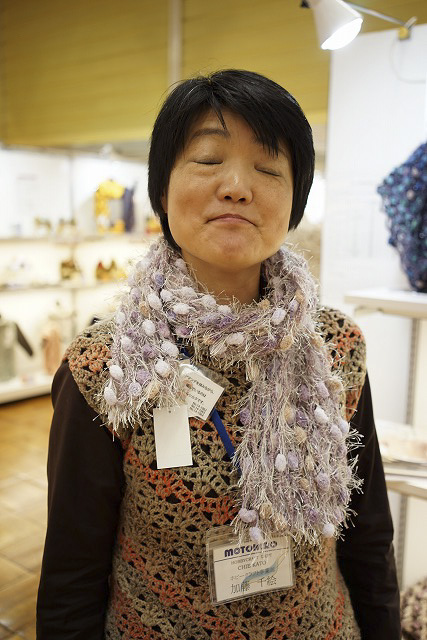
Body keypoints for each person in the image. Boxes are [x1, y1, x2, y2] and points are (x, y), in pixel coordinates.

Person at [36, 69, 401, 639]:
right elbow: (72, 576)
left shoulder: (335, 348)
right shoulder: (107, 367)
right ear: (162, 191)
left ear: (295, 202)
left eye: (268, 168)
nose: (236, 186)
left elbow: (368, 536)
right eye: (208, 159)